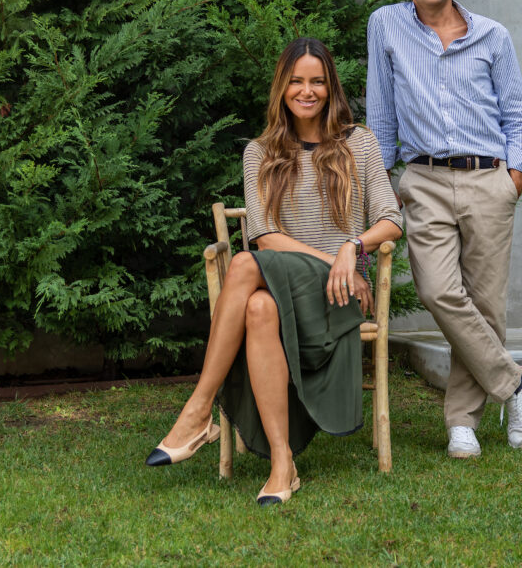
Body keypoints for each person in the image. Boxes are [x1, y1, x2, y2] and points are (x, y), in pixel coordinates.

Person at [146, 38, 403, 505]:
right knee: (260, 305)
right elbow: (263, 236)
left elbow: (392, 219)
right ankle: (282, 465)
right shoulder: (260, 151)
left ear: (331, 87)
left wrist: (353, 247)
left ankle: (199, 411)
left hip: (337, 296)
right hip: (302, 279)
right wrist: (335, 257)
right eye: (297, 81)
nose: (308, 91)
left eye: (318, 81)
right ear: (282, 88)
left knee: (244, 266)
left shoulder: (358, 143)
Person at [366, 0, 522, 459]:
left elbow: (517, 116)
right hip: (423, 180)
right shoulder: (386, 27)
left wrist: (514, 177)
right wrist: (382, 183)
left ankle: (461, 422)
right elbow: (379, 115)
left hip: (489, 178)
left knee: (486, 303)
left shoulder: (492, 36)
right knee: (439, 291)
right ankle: (515, 382)